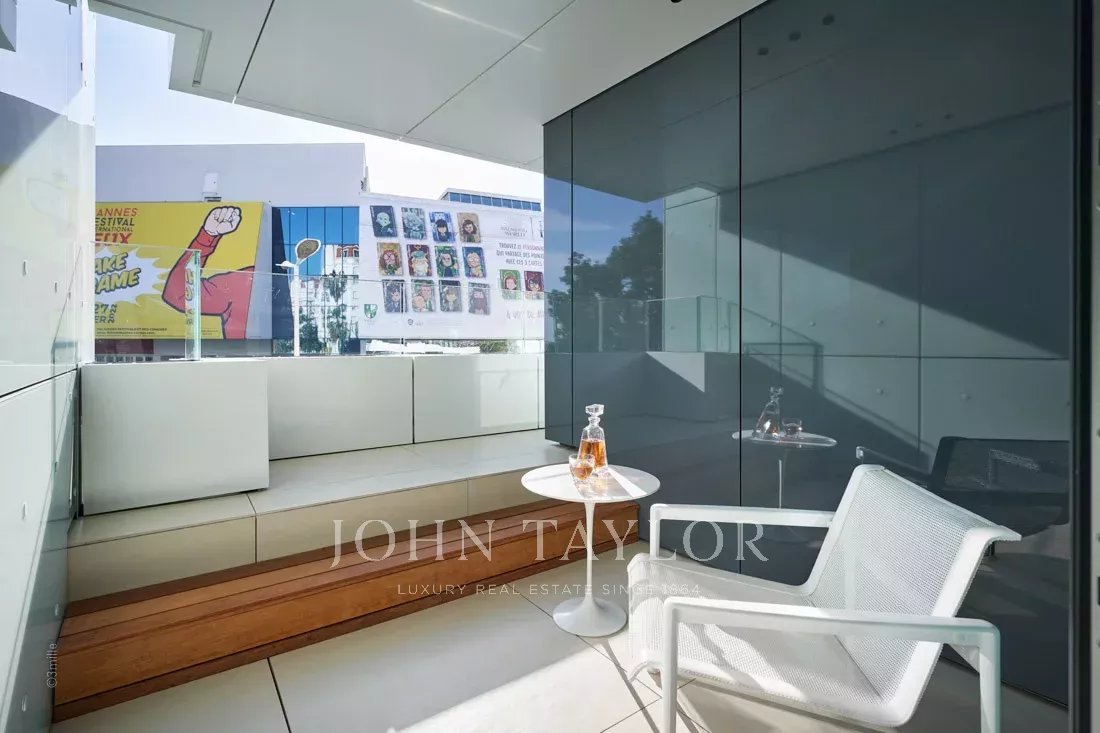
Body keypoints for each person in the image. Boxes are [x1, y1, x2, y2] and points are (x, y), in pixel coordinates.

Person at [163, 206, 254, 339]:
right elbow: (181, 296)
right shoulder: (246, 281)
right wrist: (207, 236)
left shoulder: (252, 279)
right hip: (241, 352)